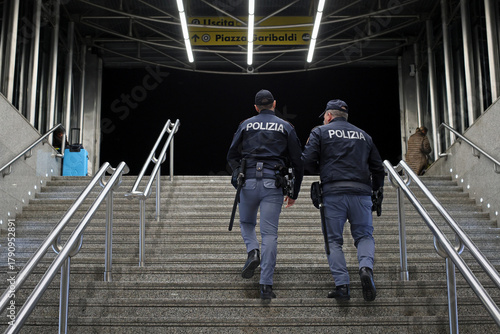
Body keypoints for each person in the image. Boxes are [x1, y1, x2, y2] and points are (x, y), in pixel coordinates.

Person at [301, 99, 385, 302]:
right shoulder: (364, 135)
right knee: (364, 236)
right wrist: (376, 190)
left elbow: (306, 161)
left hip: (333, 193)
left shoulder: (320, 132)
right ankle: (365, 268)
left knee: (333, 240)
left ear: (328, 116)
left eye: (324, 117)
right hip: (362, 194)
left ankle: (343, 286)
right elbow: (378, 168)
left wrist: (321, 168)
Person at [227, 89, 304, 300]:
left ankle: (253, 251)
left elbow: (231, 154)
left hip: (248, 182)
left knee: (247, 224)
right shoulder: (286, 126)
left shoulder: (245, 124)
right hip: (273, 184)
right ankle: (266, 286)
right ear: (274, 104)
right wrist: (294, 192)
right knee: (270, 234)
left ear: (255, 107)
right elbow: (298, 162)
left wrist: (237, 173)